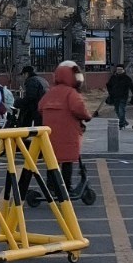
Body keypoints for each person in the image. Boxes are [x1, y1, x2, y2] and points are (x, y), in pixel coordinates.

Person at [38, 61, 92, 195]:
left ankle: (51, 186)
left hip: (50, 134)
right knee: (67, 161)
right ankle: (65, 186)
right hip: (68, 134)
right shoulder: (71, 93)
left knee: (52, 160)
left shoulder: (50, 92)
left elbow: (40, 107)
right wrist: (88, 117)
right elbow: (79, 109)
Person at [105, 63, 133, 128]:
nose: (119, 71)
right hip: (115, 96)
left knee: (121, 109)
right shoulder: (113, 77)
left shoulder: (126, 78)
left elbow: (132, 86)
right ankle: (124, 121)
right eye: (118, 69)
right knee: (117, 110)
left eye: (120, 69)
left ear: (123, 70)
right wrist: (111, 92)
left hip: (123, 96)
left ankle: (121, 123)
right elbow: (108, 85)